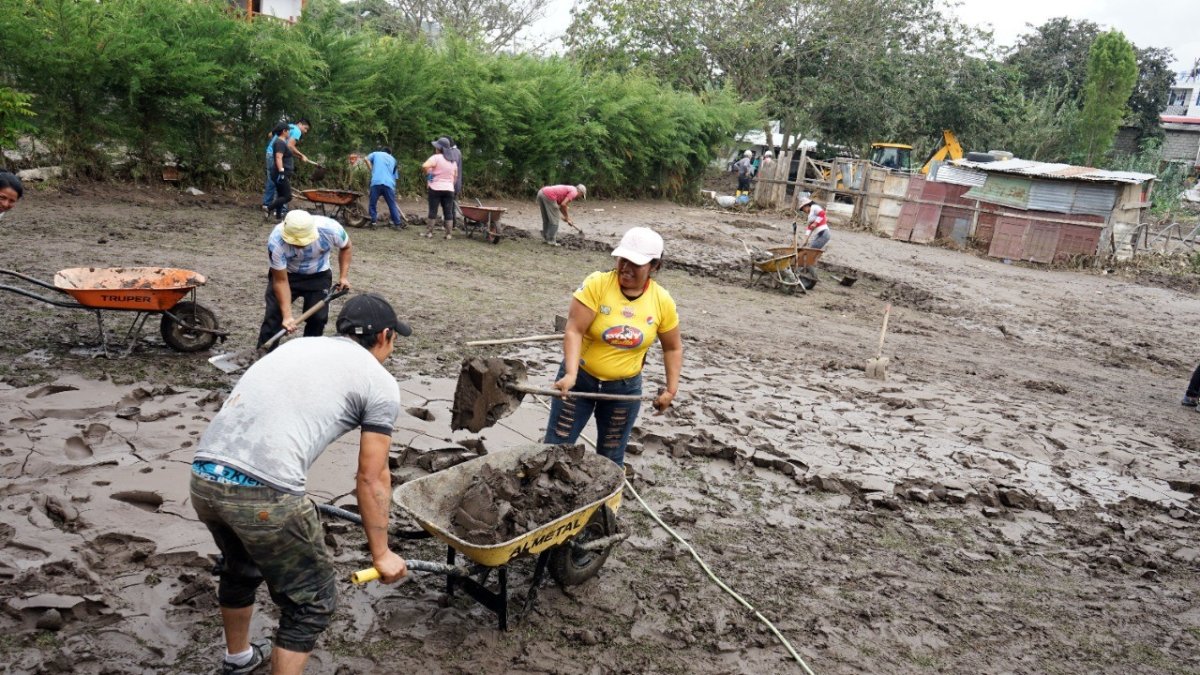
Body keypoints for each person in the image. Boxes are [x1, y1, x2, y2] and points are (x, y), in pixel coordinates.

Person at [191, 293, 412, 675]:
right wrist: (381, 554)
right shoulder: (379, 383)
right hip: (263, 494)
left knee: (241, 566)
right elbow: (372, 477)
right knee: (312, 602)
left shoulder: (297, 346)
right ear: (386, 336)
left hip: (205, 475)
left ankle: (238, 659)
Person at [545, 226, 683, 467]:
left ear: (654, 266)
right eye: (623, 259)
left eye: (636, 263)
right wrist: (570, 374)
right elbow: (574, 330)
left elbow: (672, 348)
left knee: (611, 456)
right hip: (579, 381)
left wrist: (670, 390)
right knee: (555, 450)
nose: (626, 268)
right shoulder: (597, 284)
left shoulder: (662, 301)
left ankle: (606, 505)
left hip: (624, 391)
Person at [257, 210, 352, 348]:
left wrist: (343, 276)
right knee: (274, 318)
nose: (299, 246)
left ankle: (308, 354)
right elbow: (280, 281)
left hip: (318, 275)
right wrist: (287, 316)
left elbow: (347, 246)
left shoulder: (331, 230)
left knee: (318, 319)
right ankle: (263, 357)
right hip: (287, 276)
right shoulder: (276, 242)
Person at [261, 119, 311, 220]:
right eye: (305, 128)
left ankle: (271, 208)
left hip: (270, 153)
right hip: (278, 163)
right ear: (299, 124)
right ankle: (277, 208)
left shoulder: (288, 127)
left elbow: (270, 135)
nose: (305, 132)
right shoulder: (296, 130)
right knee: (283, 189)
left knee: (273, 182)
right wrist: (301, 155)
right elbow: (289, 146)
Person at [422, 138, 458, 239]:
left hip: (435, 188)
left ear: (439, 148)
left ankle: (429, 233)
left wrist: (428, 174)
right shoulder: (452, 161)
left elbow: (424, 165)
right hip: (449, 189)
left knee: (433, 210)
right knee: (448, 211)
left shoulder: (436, 158)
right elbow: (455, 176)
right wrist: (450, 184)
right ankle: (448, 234)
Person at [363, 146, 404, 229]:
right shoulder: (394, 160)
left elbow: (365, 159)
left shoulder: (376, 153)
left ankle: (373, 223)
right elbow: (395, 177)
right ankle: (397, 224)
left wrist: (371, 169)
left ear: (382, 151)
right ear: (390, 153)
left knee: (372, 203)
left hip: (376, 182)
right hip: (389, 184)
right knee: (392, 204)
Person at [266, 124, 294, 221]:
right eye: (288, 131)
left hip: (281, 172)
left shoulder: (281, 142)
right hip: (280, 174)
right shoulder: (280, 143)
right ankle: (268, 208)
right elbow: (278, 157)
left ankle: (278, 217)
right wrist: (282, 172)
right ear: (284, 131)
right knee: (287, 197)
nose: (289, 132)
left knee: (281, 195)